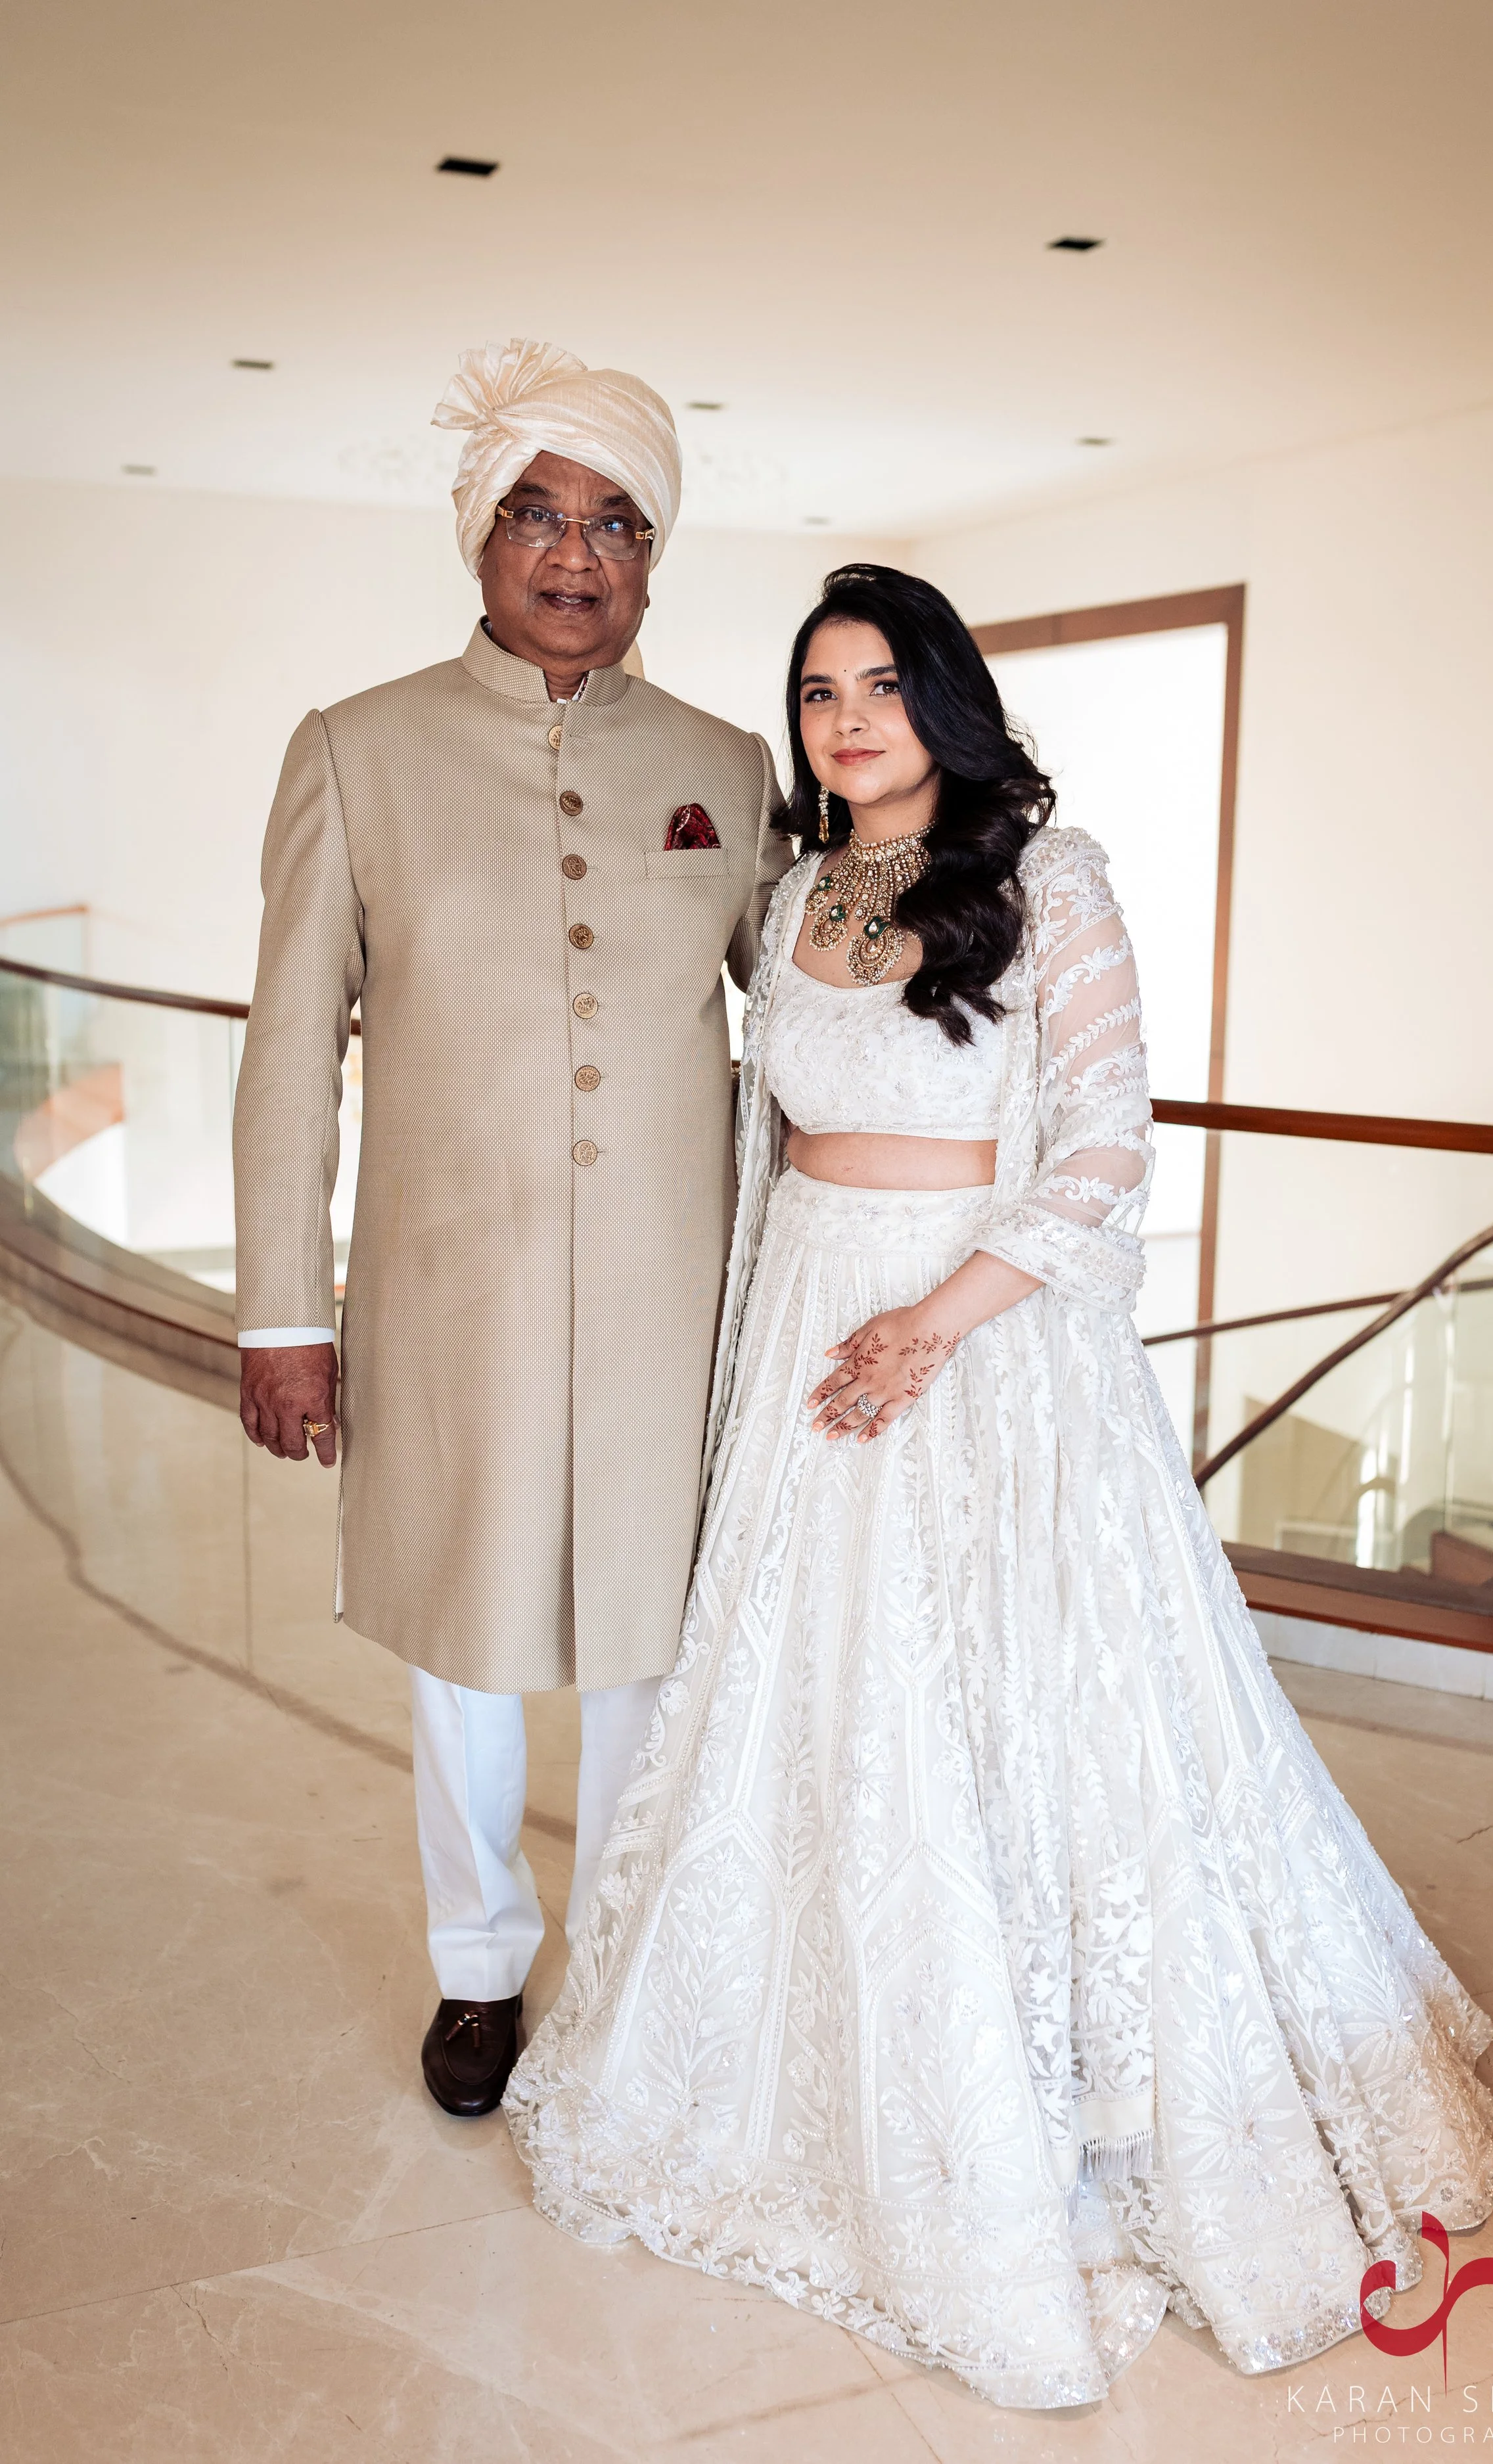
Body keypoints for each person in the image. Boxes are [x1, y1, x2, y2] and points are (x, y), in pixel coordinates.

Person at [503, 564, 1493, 2409]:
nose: (847, 720)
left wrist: (931, 1325)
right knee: (828, 1703)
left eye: (881, 685)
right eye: (819, 693)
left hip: (981, 1339)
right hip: (811, 1321)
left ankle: (1073, 2096)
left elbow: (1107, 1145)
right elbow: (757, 1128)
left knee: (1021, 1708)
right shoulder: (791, 892)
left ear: (945, 700)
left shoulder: (1050, 878)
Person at [232, 339, 792, 2118]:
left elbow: (804, 1023)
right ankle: (478, 1968)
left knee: (644, 1638)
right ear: (479, 535)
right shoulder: (357, 751)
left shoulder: (726, 768)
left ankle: (623, 1972)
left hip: (665, 1299)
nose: (576, 554)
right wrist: (281, 1312)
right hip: (448, 1291)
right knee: (466, 1641)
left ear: (654, 555)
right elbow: (288, 1046)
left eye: (618, 522)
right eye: (539, 517)